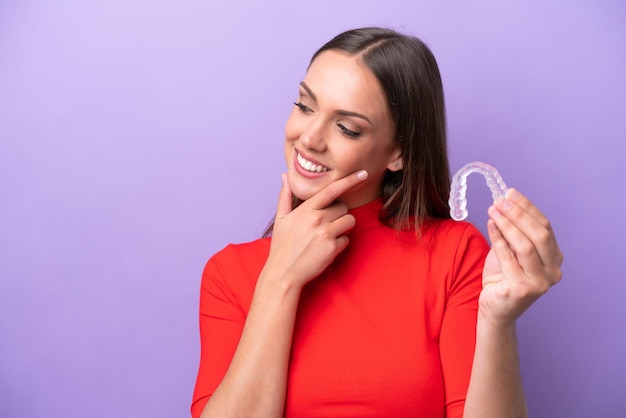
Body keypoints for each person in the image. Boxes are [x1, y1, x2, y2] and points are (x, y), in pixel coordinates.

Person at [191, 27, 563, 418]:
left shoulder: (456, 255)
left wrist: (497, 321)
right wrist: (278, 280)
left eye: (347, 128)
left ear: (398, 152)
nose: (309, 138)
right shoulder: (229, 274)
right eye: (304, 106)